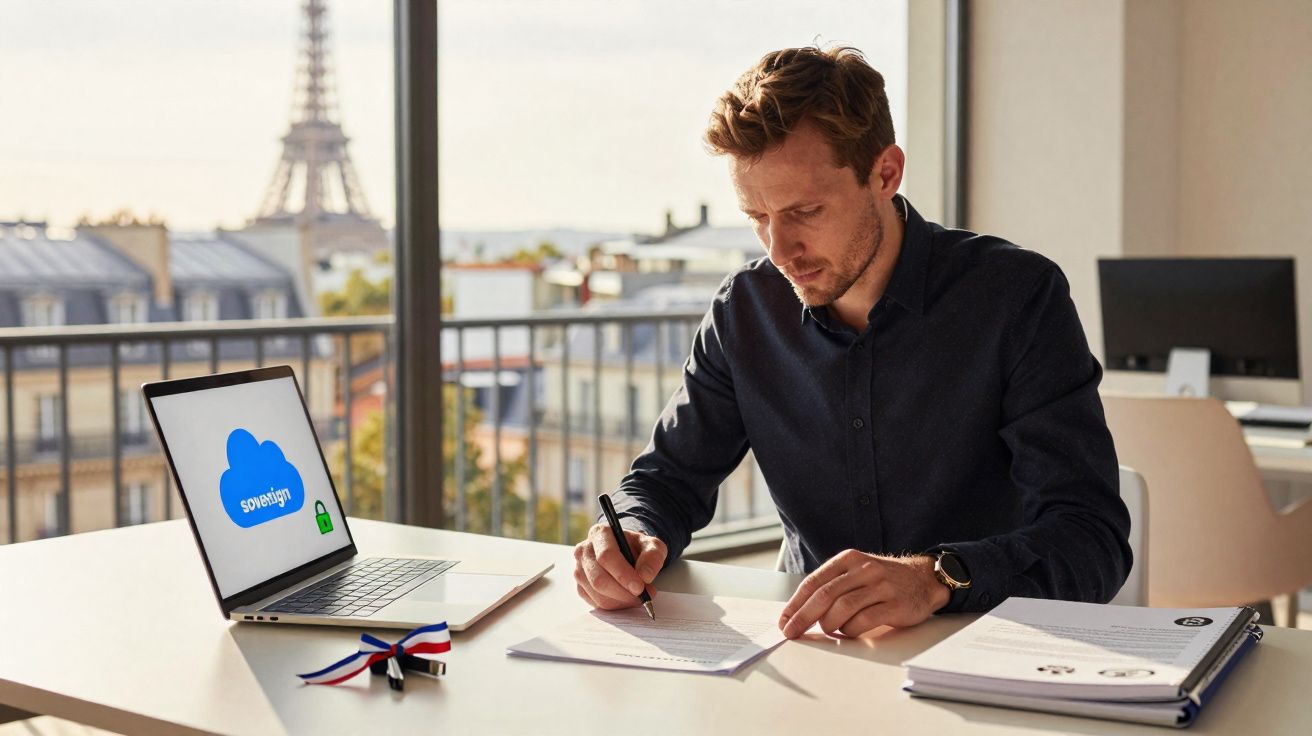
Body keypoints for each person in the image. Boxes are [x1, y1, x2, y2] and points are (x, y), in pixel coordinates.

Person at [572, 46, 1131, 639]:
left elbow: (1089, 540)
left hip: (984, 650)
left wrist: (938, 577)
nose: (779, 250)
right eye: (757, 217)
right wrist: (629, 535)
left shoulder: (1016, 298)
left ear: (885, 173)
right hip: (812, 654)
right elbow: (664, 482)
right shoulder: (746, 313)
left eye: (805, 211)